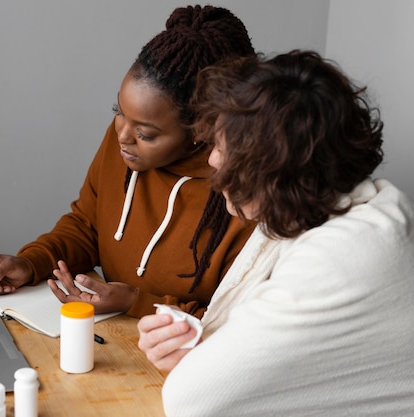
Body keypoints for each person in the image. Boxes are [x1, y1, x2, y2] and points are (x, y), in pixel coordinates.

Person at [137, 50, 414, 416]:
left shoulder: (340, 259)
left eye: (223, 147)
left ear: (272, 170)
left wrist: (198, 363)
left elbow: (190, 401)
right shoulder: (355, 209)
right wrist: (198, 350)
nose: (213, 160)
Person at [0, 5, 256, 318]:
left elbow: (236, 327)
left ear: (200, 129)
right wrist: (32, 263)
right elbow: (87, 225)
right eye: (118, 111)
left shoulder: (246, 194)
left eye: (146, 134)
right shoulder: (125, 142)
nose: (122, 135)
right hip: (109, 337)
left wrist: (137, 302)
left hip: (179, 355)